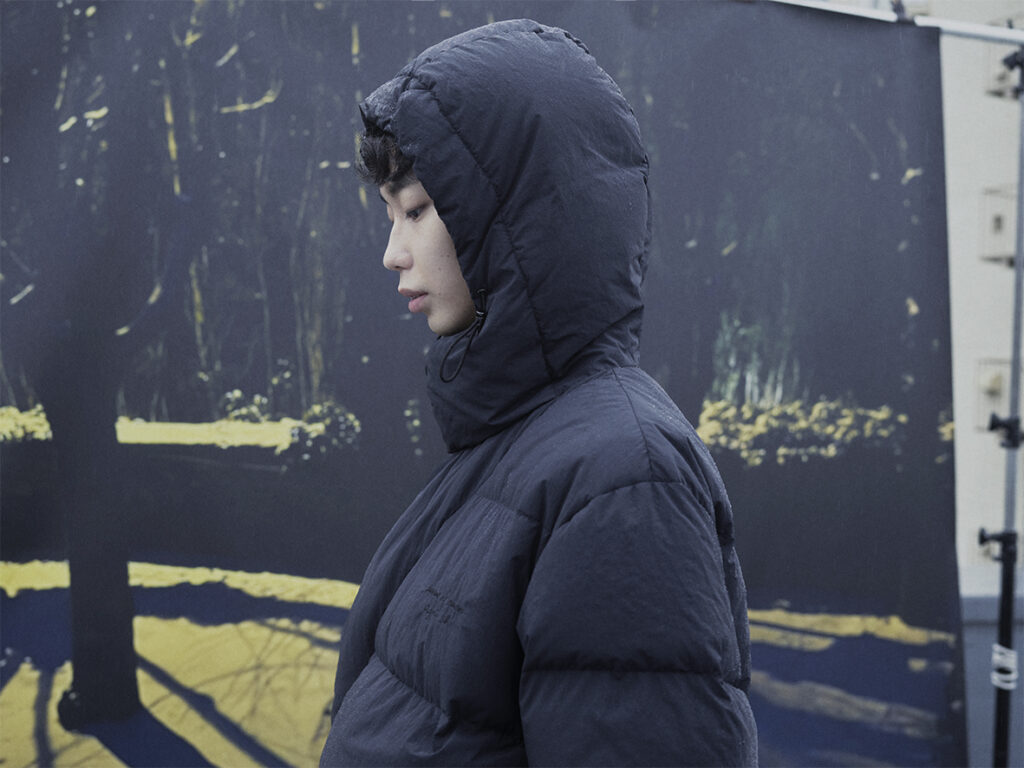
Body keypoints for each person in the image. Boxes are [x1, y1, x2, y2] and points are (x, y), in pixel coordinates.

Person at [321, 19, 757, 767]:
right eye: (390, 216)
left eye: (416, 209)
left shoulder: (626, 477)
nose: (393, 253)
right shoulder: (516, 445)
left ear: (518, 214)